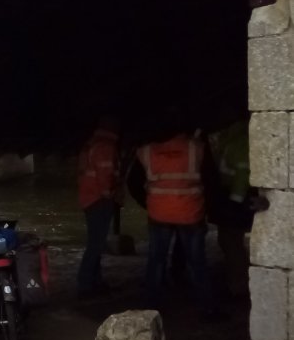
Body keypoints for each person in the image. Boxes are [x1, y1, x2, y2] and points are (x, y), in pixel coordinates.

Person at [131, 128, 222, 319]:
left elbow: (133, 183)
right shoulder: (196, 149)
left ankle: (150, 310)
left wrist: (150, 203)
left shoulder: (147, 151)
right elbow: (213, 183)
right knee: (197, 262)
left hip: (159, 214)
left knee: (156, 261)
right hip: (191, 213)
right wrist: (207, 208)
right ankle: (208, 309)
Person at [208, 119, 267, 297]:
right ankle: (238, 282)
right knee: (230, 242)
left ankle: (238, 286)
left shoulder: (239, 141)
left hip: (236, 197)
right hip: (235, 196)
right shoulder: (233, 139)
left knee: (231, 243)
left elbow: (242, 173)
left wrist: (235, 202)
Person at [77, 118, 121, 298]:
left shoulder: (91, 144)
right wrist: (108, 194)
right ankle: (86, 284)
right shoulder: (106, 146)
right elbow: (105, 174)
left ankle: (95, 281)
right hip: (99, 200)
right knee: (95, 244)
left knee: (95, 242)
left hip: (89, 198)